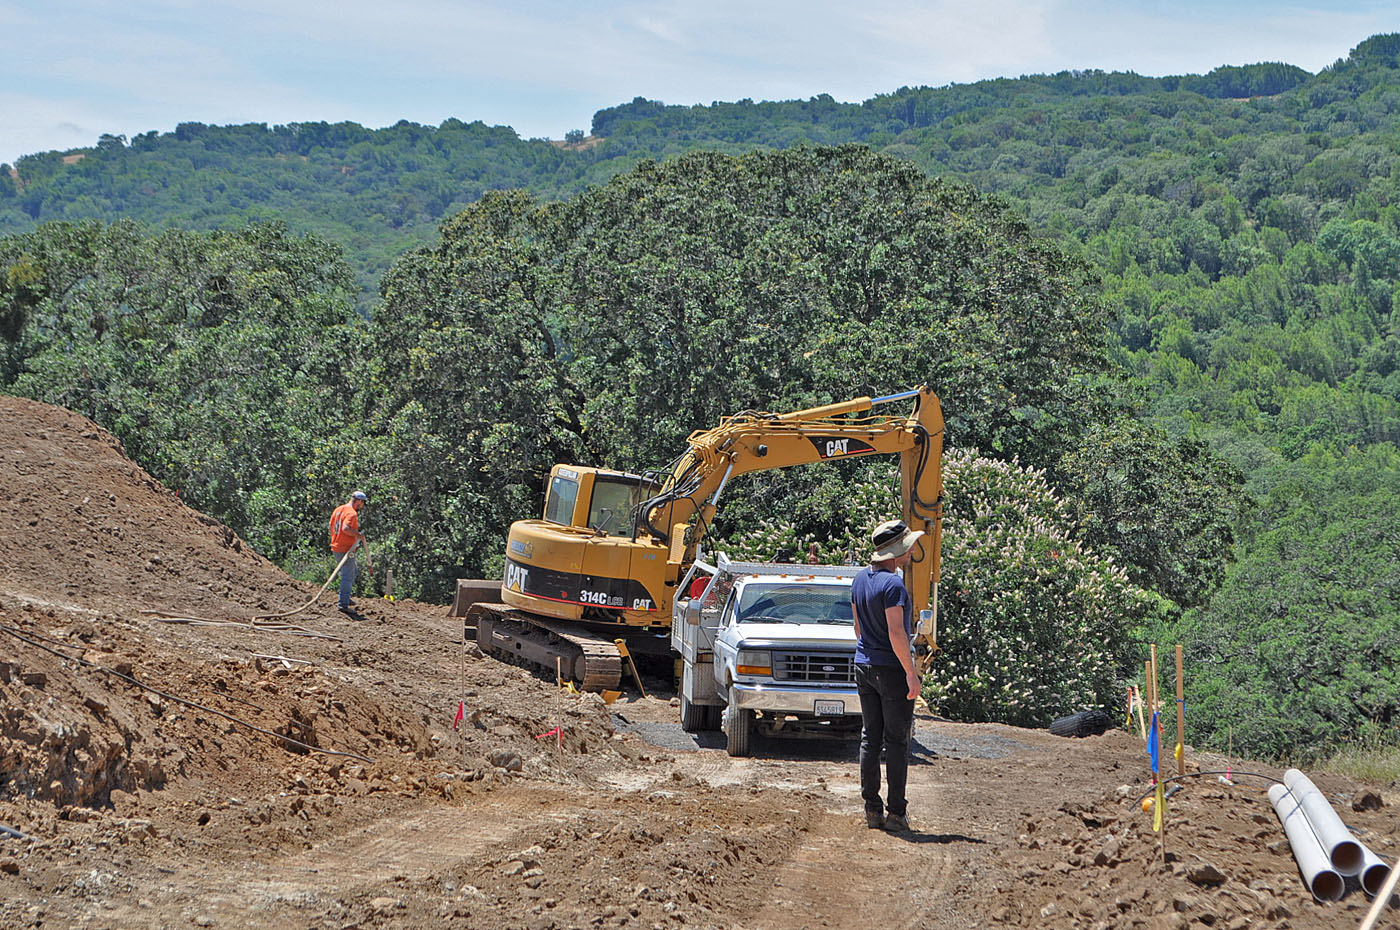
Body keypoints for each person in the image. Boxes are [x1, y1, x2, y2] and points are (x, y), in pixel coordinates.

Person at [851, 518, 924, 832]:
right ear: (897, 552)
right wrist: (911, 673)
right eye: (907, 548)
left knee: (870, 738)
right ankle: (896, 813)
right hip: (890, 670)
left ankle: (871, 810)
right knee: (896, 742)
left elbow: (857, 628)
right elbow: (897, 633)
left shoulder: (859, 580)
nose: (911, 553)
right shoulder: (893, 584)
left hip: (863, 665)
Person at [329, 491, 369, 614]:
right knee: (348, 576)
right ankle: (343, 604)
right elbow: (345, 528)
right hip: (345, 549)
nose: (362, 506)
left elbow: (331, 526)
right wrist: (358, 535)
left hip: (337, 546)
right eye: (362, 503)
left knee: (353, 572)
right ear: (359, 501)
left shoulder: (339, 509)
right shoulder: (352, 513)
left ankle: (345, 596)